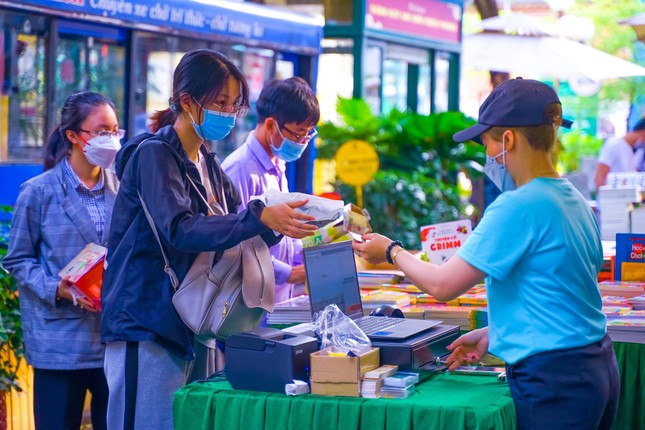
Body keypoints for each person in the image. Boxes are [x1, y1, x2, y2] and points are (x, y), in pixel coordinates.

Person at [353, 78, 620, 430]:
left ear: (507, 140)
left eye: (486, 143)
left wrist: (389, 250)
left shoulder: (517, 206)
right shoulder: (572, 199)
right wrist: (497, 332)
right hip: (595, 366)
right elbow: (559, 291)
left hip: (556, 380)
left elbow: (444, 285)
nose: (487, 156)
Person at [100, 49, 317, 430]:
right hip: (146, 320)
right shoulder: (155, 155)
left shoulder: (209, 162)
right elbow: (180, 229)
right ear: (187, 101)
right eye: (220, 103)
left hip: (193, 321)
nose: (229, 114)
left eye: (234, 105)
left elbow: (235, 235)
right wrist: (257, 217)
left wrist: (276, 223)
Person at [3, 91, 122, 430]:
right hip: (59, 342)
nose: (110, 140)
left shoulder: (123, 189)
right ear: (72, 135)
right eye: (101, 131)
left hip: (112, 338)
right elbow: (18, 260)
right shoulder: (38, 191)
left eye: (115, 131)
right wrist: (58, 288)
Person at [222, 77, 320, 303]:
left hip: (278, 299)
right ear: (270, 125)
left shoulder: (277, 164)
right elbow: (234, 243)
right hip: (248, 303)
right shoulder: (241, 169)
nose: (303, 142)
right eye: (298, 134)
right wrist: (288, 274)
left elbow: (283, 234)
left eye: (308, 134)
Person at [595, 117, 645, 190]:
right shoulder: (613, 145)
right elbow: (600, 176)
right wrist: (606, 198)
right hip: (610, 199)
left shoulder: (630, 150)